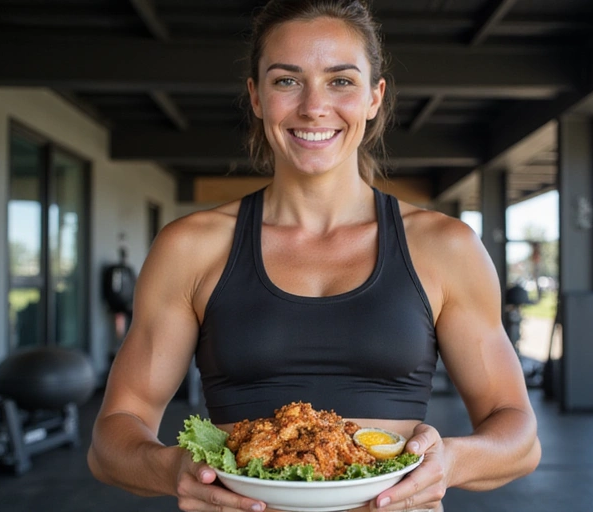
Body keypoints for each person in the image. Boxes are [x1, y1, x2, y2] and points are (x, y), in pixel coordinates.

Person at [87, 1, 541, 510]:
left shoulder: (445, 246)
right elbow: (112, 440)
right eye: (287, 81)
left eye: (341, 81)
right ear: (257, 97)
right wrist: (174, 468)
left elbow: (518, 435)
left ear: (375, 96)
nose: (314, 106)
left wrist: (450, 462)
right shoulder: (191, 247)